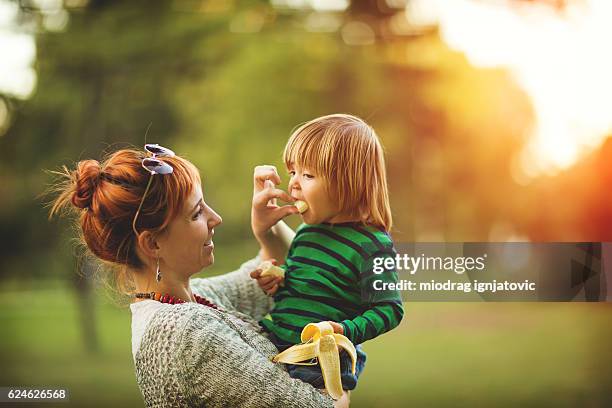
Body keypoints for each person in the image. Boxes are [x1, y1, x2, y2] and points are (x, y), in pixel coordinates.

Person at [49, 144, 348, 407]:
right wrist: (341, 359)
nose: (215, 218)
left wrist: (265, 228)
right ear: (152, 243)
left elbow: (281, 273)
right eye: (196, 214)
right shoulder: (185, 334)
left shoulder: (192, 300)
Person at [251, 114, 404, 394]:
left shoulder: (374, 244)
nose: (294, 184)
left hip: (320, 360)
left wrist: (344, 330)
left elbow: (390, 309)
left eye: (307, 175)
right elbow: (308, 288)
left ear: (348, 182)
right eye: (293, 172)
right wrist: (278, 280)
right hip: (277, 338)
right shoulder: (307, 235)